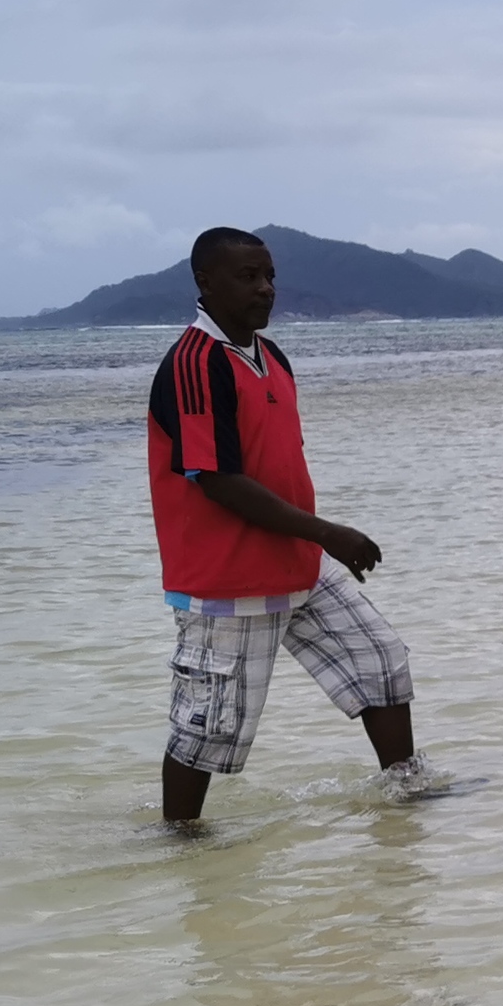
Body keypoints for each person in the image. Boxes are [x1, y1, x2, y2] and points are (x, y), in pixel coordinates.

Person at [149, 228, 420, 825]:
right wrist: (327, 532)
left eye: (269, 276)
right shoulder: (194, 362)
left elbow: (279, 460)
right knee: (208, 726)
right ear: (205, 282)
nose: (265, 289)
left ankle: (408, 794)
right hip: (227, 579)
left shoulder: (272, 358)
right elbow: (216, 479)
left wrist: (315, 540)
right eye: (247, 277)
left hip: (298, 562)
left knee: (381, 661)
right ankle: (177, 846)